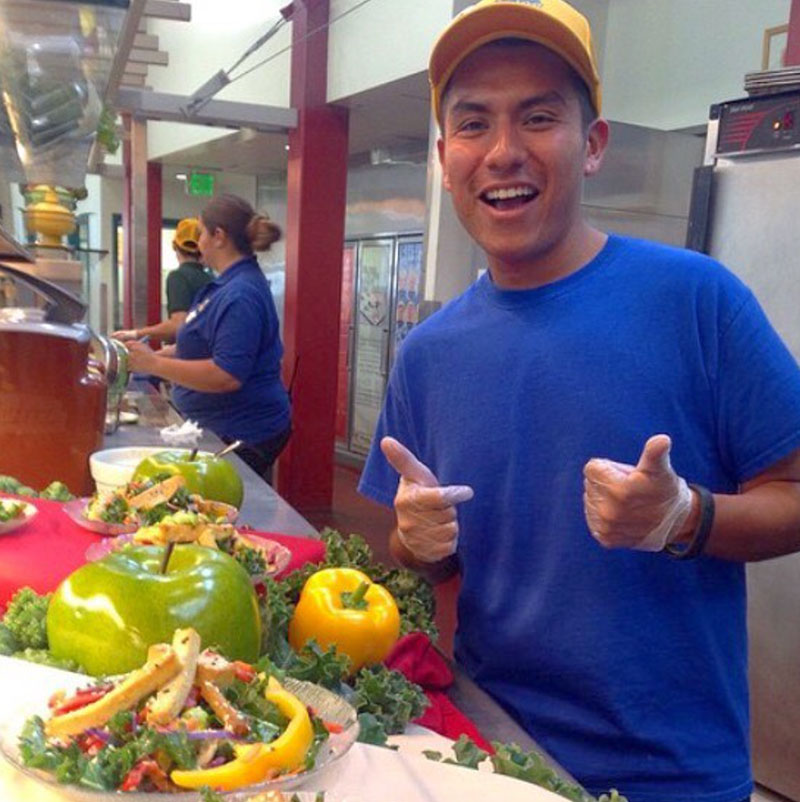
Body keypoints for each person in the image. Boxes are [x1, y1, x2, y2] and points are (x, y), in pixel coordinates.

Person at [357, 2, 800, 801]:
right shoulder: (429, 353)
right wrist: (415, 541)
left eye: (538, 117)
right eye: (473, 124)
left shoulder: (696, 301)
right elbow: (433, 555)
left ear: (591, 145)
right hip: (489, 752)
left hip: (671, 774)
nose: (503, 152)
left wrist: (686, 519)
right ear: (443, 155)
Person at [127, 194, 291, 484]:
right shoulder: (224, 286)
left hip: (243, 432)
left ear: (218, 236)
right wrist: (143, 357)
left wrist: (153, 363)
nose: (198, 241)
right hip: (218, 425)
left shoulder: (241, 294)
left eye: (202, 231)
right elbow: (199, 347)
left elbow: (226, 375)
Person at [113, 217, 215, 342]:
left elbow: (178, 324)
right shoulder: (212, 279)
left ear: (175, 247)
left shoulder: (178, 277)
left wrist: (136, 334)